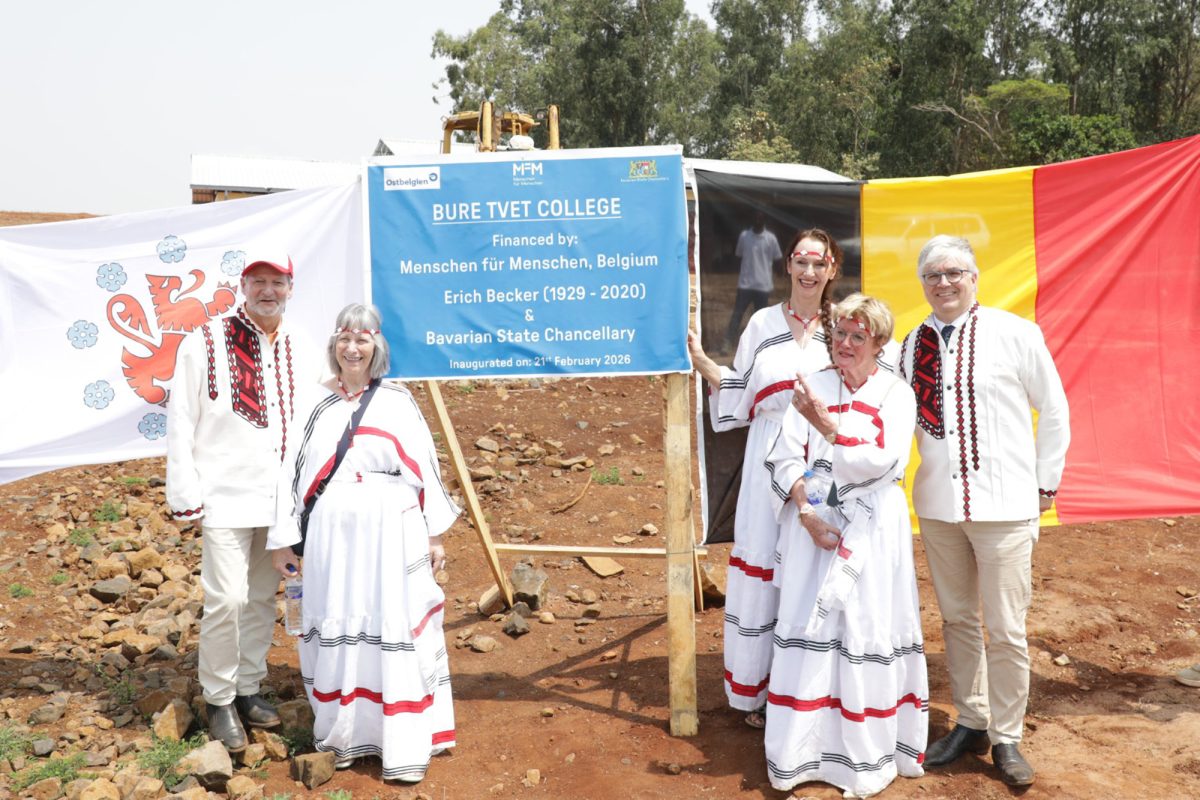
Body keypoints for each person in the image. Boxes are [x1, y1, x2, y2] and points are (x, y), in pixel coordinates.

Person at [897, 235, 1070, 787]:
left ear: (974, 277)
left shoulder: (1016, 333)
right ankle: (971, 719)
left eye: (953, 273)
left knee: (1007, 627)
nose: (943, 283)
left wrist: (1045, 484)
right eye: (932, 275)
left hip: (1005, 505)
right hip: (939, 507)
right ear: (922, 283)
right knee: (957, 620)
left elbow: (1056, 408)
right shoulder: (911, 344)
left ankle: (1008, 737)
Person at [267, 303, 460, 783]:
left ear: (377, 346)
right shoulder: (313, 402)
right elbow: (290, 474)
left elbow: (425, 468)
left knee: (392, 621)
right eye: (345, 337)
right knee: (338, 618)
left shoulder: (397, 399)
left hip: (391, 531)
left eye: (364, 338)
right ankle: (344, 737)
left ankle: (403, 740)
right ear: (334, 345)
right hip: (333, 533)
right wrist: (283, 541)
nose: (353, 347)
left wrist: (434, 534)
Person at [762, 293, 928, 797]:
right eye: (839, 334)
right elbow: (785, 457)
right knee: (811, 626)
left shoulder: (896, 394)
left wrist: (828, 426)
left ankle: (865, 758)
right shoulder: (812, 386)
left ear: (878, 342)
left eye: (859, 336)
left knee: (865, 625)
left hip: (873, 529)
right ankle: (801, 755)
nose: (846, 344)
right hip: (815, 525)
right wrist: (809, 516)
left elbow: (884, 461)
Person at [689, 229, 845, 728]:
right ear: (788, 266)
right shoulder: (761, 323)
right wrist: (705, 365)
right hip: (766, 457)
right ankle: (754, 693)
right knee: (762, 569)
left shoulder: (841, 328)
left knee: (810, 571)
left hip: (823, 461)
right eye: (800, 260)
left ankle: (806, 691)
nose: (808, 271)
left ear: (832, 269)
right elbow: (738, 393)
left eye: (819, 263)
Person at [167, 253, 314, 752]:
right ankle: (218, 697)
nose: (268, 290)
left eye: (277, 281)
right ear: (243, 286)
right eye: (259, 281)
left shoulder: (302, 345)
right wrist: (186, 491)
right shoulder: (205, 340)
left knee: (258, 598)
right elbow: (182, 416)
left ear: (291, 287)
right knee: (226, 598)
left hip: (278, 502)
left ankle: (248, 686)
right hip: (225, 495)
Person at [726, 211, 783, 347]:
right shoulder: (744, 236)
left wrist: (781, 274)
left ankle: (758, 345)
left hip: (763, 286)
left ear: (764, 221)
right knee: (737, 314)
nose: (757, 221)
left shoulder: (771, 239)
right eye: (755, 218)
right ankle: (727, 342)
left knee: (760, 318)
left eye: (760, 218)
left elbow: (778, 259)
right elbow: (738, 256)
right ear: (752, 220)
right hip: (745, 284)